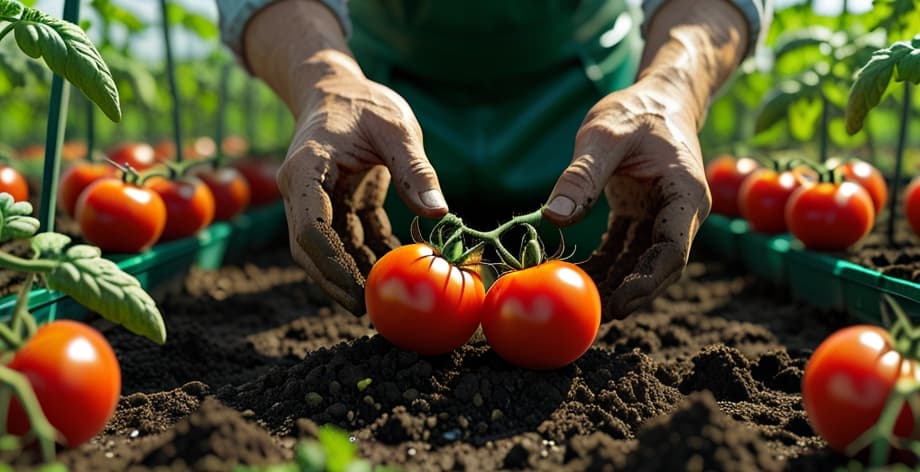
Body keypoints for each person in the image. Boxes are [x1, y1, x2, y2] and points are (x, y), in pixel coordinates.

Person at [215, 0, 771, 321]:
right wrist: (324, 81)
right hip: (377, 103)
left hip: (589, 107)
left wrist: (672, 88)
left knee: (620, 250)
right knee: (363, 247)